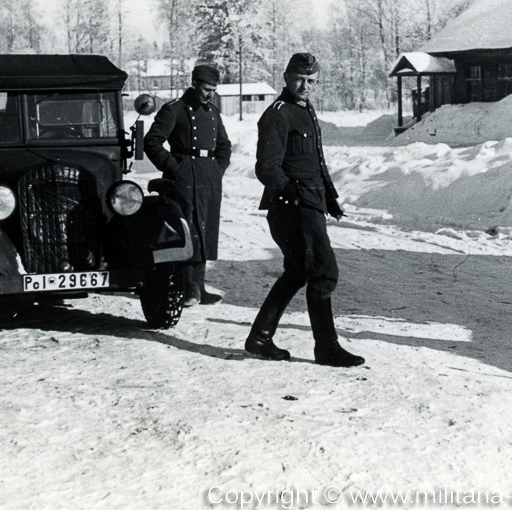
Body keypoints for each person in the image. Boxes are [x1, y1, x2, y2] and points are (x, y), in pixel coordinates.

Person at [245, 53, 365, 367]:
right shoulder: (278, 114)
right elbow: (267, 169)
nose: (305, 86)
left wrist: (329, 197)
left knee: (299, 271)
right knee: (324, 273)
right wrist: (296, 198)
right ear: (286, 77)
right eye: (300, 79)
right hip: (293, 209)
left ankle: (259, 337)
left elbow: (315, 163)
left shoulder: (304, 110)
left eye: (312, 81)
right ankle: (326, 348)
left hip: (309, 203)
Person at [144, 64, 232, 307]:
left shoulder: (213, 112)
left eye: (213, 90)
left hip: (208, 179)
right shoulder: (175, 110)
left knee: (206, 232)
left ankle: (199, 288)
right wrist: (176, 168)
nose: (210, 94)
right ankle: (187, 289)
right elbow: (152, 142)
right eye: (206, 89)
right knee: (188, 231)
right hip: (184, 178)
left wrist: (218, 169)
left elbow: (224, 145)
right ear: (194, 84)